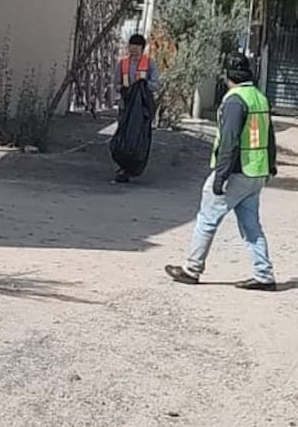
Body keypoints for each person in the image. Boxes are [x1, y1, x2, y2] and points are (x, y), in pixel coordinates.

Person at [166, 52, 277, 289]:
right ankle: (264, 274)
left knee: (207, 218)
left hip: (237, 171)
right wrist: (271, 165)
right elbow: (270, 135)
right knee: (251, 226)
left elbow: (230, 141)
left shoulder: (235, 101)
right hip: (257, 172)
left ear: (227, 76)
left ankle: (192, 268)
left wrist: (220, 177)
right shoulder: (259, 97)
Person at [110, 32, 158, 184]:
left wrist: (143, 85)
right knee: (123, 136)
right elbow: (116, 84)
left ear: (143, 48)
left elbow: (156, 84)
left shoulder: (149, 64)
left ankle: (131, 167)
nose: (134, 49)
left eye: (137, 46)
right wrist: (123, 89)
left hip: (142, 109)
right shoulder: (122, 64)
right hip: (126, 107)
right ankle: (123, 166)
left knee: (138, 137)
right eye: (132, 46)